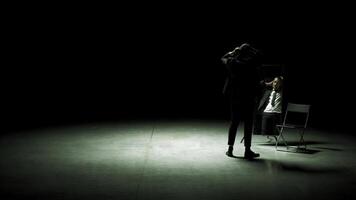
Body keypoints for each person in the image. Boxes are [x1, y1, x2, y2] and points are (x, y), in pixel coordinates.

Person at [222, 43, 262, 159]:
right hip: (248, 97)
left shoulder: (234, 62)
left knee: (234, 122)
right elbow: (259, 54)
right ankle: (247, 150)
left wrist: (234, 51)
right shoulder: (252, 64)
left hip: (235, 97)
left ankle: (230, 149)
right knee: (248, 124)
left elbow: (223, 58)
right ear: (249, 52)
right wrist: (251, 49)